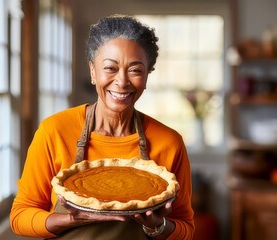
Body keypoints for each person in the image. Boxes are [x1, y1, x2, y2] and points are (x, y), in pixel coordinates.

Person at [10, 15, 194, 239]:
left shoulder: (169, 142)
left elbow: (186, 229)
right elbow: (20, 216)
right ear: (93, 72)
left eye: (135, 70)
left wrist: (156, 225)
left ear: (146, 76)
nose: (122, 81)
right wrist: (69, 220)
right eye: (110, 68)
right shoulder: (54, 131)